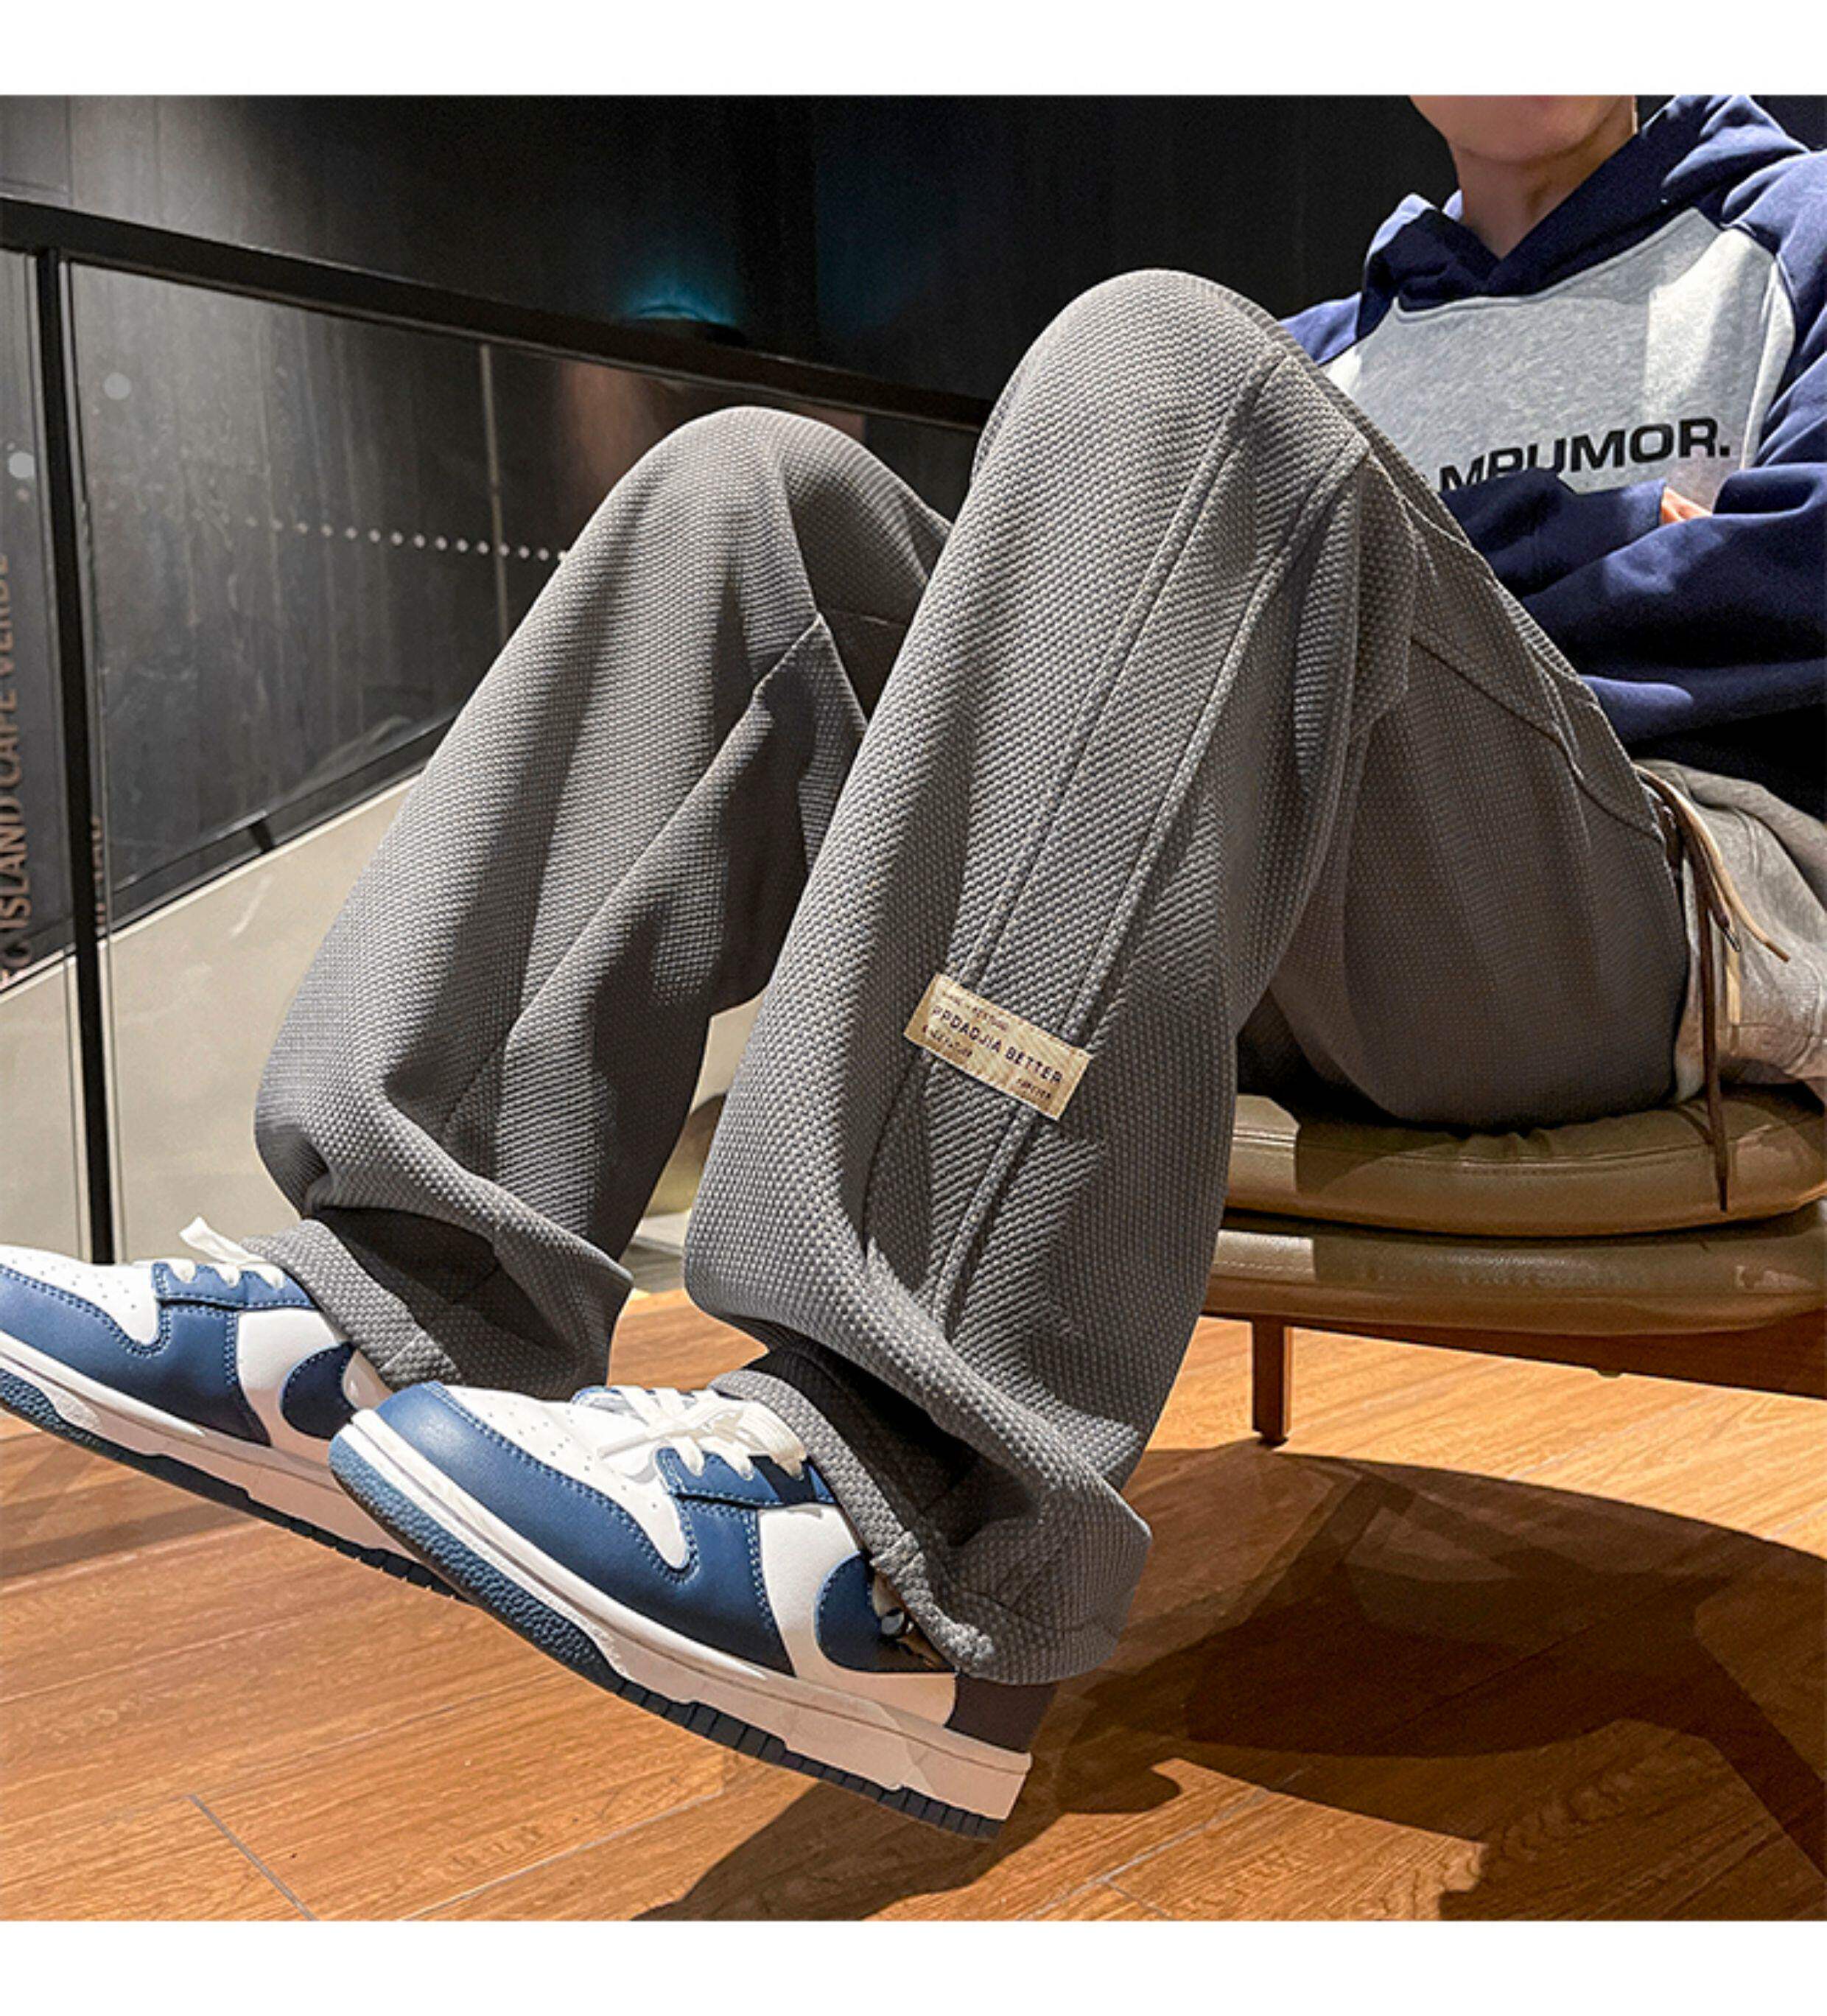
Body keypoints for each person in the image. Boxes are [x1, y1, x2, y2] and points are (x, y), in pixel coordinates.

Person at [1, 94, 1820, 1839]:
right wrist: (1569, 546)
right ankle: (407, 1295)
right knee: (751, 491)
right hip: (1280, 911)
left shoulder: (1789, 237)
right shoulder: (1329, 352)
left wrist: (1411, 561)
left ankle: (902, 1513)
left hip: (1644, 907)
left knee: (1164, 366)